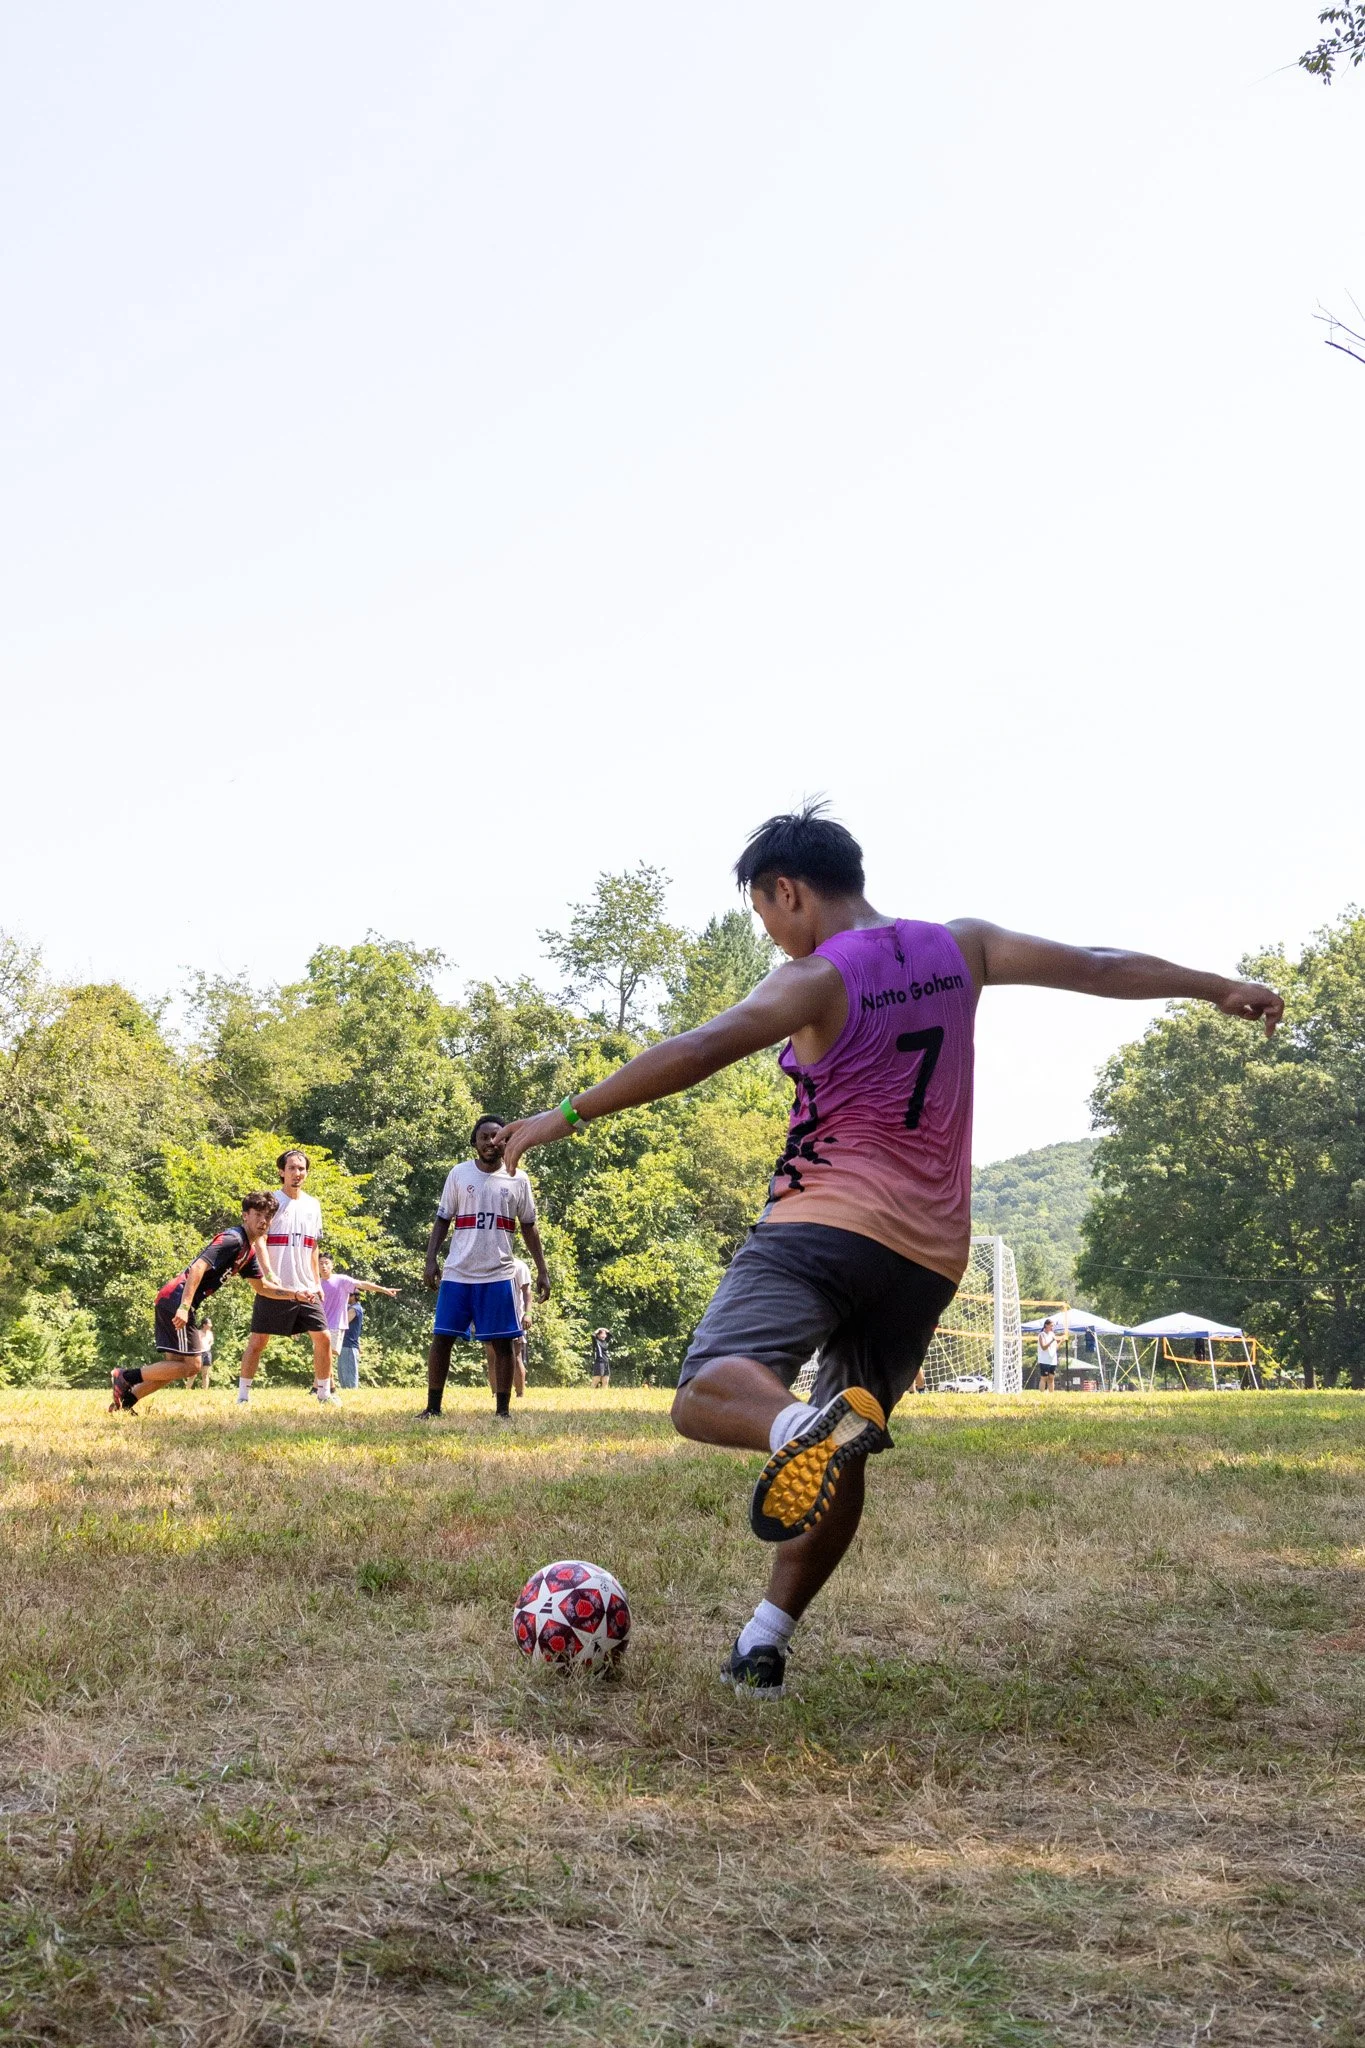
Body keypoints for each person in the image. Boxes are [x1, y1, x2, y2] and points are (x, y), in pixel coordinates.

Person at [498, 804, 1284, 1699]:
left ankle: (795, 1429)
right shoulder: (965, 946)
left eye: (764, 913)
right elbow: (1097, 964)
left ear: (788, 891)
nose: (771, 934)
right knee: (844, 1447)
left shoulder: (812, 979)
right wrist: (1213, 985)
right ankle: (763, 1644)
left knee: (708, 1391)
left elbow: (703, 1045)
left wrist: (564, 1114)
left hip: (821, 1226)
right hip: (928, 1260)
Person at [108, 1194, 307, 1411]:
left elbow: (262, 1288)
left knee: (173, 1367)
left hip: (174, 1300)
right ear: (245, 1215)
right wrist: (184, 1307)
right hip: (177, 1300)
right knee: (193, 1366)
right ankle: (125, 1376)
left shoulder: (248, 1252)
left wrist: (295, 1294)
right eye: (258, 1215)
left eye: (268, 1217)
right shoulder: (233, 1239)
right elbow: (197, 1267)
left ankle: (124, 1403)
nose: (263, 1221)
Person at [421, 1116, 551, 1422]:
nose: (491, 1142)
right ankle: (433, 1407)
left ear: (507, 1141)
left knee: (503, 1343)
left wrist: (542, 1269)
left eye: (497, 1136)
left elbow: (529, 1226)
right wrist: (430, 1259)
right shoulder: (459, 1173)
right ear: (474, 1142)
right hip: (458, 1272)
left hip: (498, 1274)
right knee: (442, 1339)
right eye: (484, 1137)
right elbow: (443, 1219)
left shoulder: (518, 1178)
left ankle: (503, 1411)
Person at [236, 1149, 334, 1406]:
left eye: (301, 1169)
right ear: (282, 1171)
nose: (297, 1173)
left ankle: (324, 1394)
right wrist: (269, 1273)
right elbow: (260, 1239)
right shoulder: (272, 1203)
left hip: (306, 1286)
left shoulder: (313, 1205)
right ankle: (243, 1397)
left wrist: (317, 1282)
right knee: (258, 1341)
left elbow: (313, 1246)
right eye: (292, 1168)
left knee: (323, 1338)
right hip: (276, 1286)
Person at [318, 1254, 399, 1388]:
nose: (324, 1266)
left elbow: (361, 1284)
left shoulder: (341, 1280)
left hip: (335, 1324)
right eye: (321, 1263)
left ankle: (324, 1387)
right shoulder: (315, 1283)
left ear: (332, 1265)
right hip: (320, 1325)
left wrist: (383, 1289)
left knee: (327, 1356)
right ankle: (322, 1387)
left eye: (326, 1263)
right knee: (321, 1357)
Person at [486, 1258, 534, 1398]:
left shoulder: (519, 1266)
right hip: (491, 1317)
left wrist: (528, 1314)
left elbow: (527, 1292)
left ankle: (520, 1394)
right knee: (492, 1357)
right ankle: (495, 1394)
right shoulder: (488, 1263)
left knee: (516, 1356)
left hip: (514, 1318)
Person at [1036, 1319, 1059, 1392]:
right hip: (1044, 1360)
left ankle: (1051, 1394)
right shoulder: (1041, 1335)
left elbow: (1055, 1348)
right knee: (1044, 1378)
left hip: (1052, 1359)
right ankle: (1042, 1393)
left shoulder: (1052, 1334)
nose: (1052, 1327)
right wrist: (1051, 1341)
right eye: (1051, 1325)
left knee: (1051, 1377)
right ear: (1046, 1325)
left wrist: (1061, 1341)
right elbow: (1043, 1347)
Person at [196, 1317, 215, 1391]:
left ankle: (205, 1390)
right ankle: (187, 1389)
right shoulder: (198, 1333)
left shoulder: (210, 1333)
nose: (211, 1325)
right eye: (209, 1324)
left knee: (205, 1373)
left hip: (207, 1353)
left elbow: (211, 1342)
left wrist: (208, 1346)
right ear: (204, 1325)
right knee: (194, 1373)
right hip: (199, 1353)